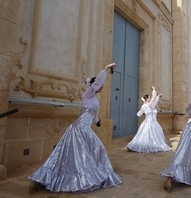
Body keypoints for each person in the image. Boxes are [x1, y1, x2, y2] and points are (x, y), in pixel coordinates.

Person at [28, 63, 122, 193]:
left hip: (83, 127)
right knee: (95, 148)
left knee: (80, 153)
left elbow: (93, 113)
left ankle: (85, 175)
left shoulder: (93, 98)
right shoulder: (88, 93)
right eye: (100, 85)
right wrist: (105, 68)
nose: (102, 87)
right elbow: (96, 84)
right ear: (94, 85)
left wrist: (97, 122)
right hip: (80, 128)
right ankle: (74, 178)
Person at [127, 85, 170, 153]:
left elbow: (154, 101)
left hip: (154, 123)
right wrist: (154, 90)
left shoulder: (150, 105)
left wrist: (158, 96)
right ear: (146, 99)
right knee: (145, 135)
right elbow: (139, 114)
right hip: (148, 123)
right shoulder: (145, 106)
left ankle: (154, 144)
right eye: (149, 97)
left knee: (154, 136)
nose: (150, 98)